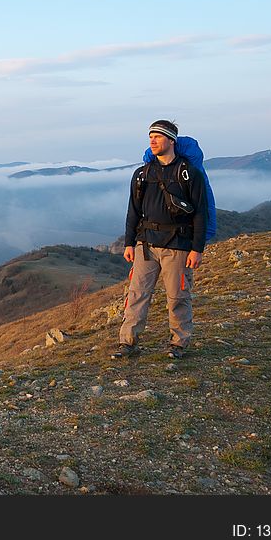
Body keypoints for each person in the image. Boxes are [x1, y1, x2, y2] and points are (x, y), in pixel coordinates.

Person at [113, 119, 208, 360]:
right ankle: (127, 342)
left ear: (171, 140)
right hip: (145, 244)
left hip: (178, 244)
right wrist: (129, 243)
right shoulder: (142, 174)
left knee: (177, 296)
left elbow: (200, 212)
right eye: (150, 137)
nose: (152, 141)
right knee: (136, 294)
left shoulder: (189, 174)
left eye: (158, 136)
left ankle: (179, 342)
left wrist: (197, 249)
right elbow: (133, 210)